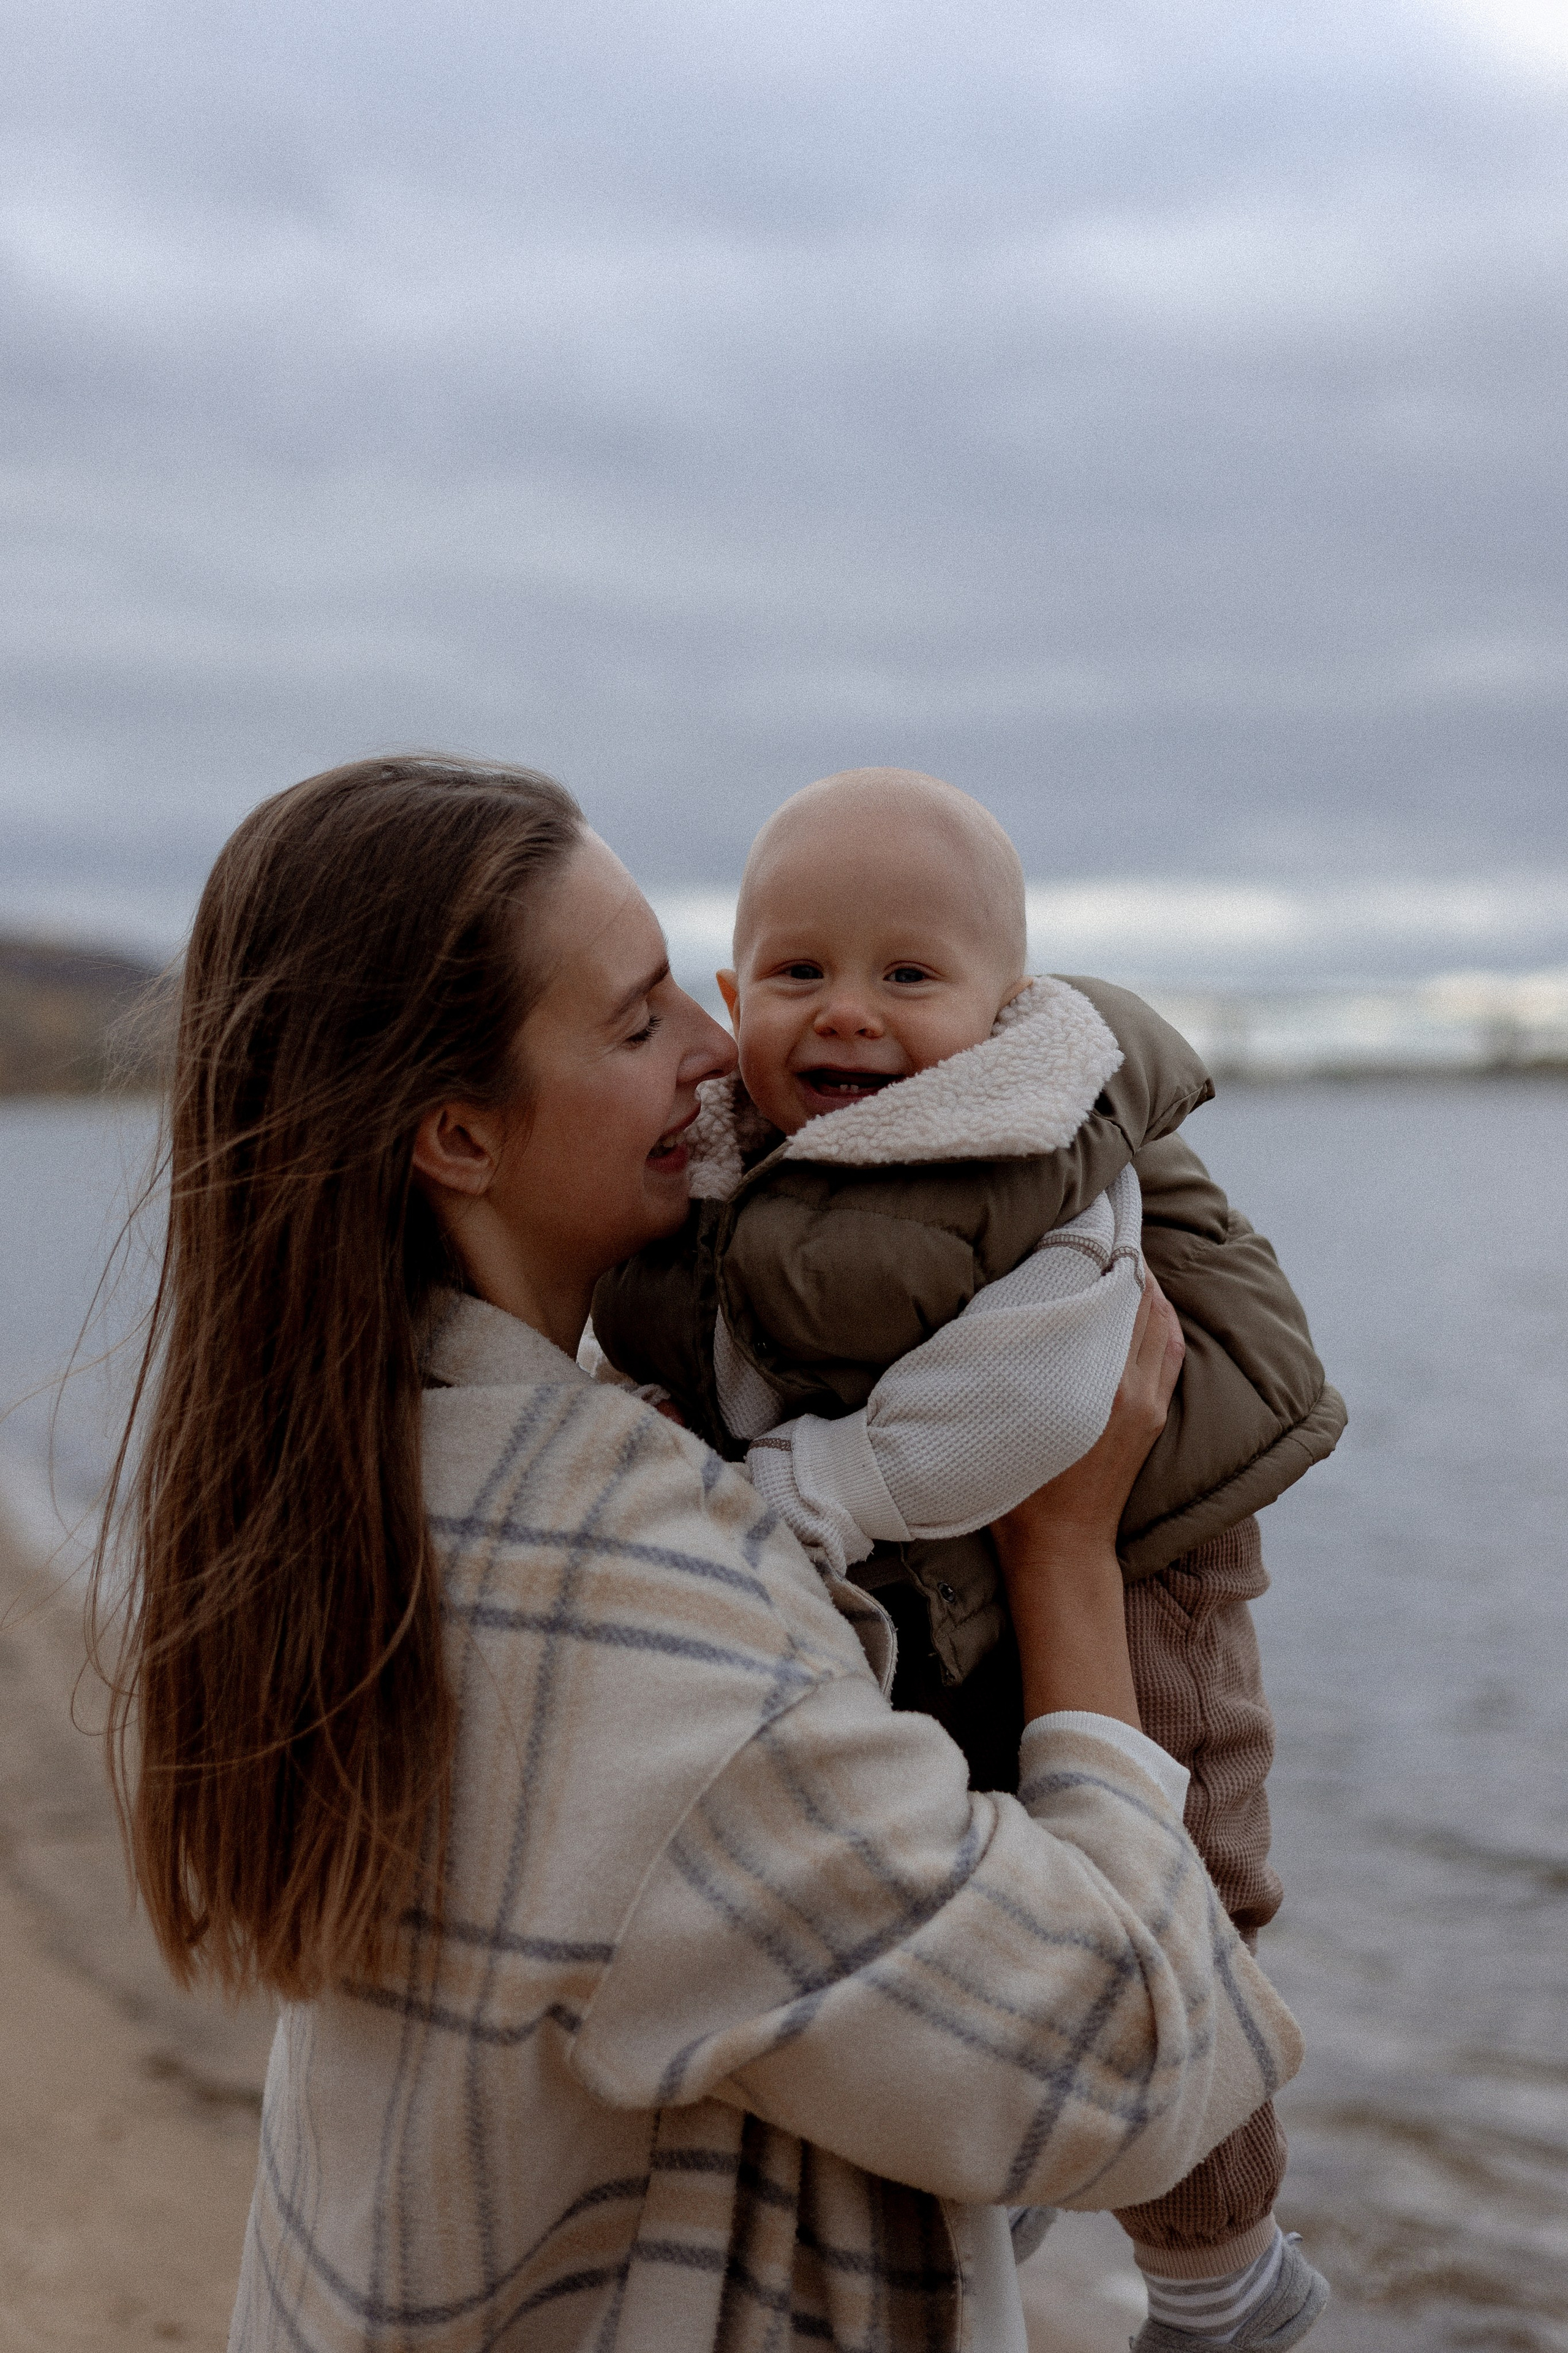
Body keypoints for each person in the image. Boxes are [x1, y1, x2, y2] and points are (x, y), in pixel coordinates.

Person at [99, 754, 1303, 2353]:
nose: (721, 1045)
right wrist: (1067, 1549)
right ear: (458, 1135)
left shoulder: (355, 1477)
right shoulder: (638, 1624)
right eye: (636, 1020)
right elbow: (1132, 2066)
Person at [590, 766, 1340, 2348]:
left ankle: (1225, 2280)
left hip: (1149, 1550)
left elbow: (1056, 1385)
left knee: (1185, 1877)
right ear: (732, 996)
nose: (848, 1011)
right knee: (985, 1873)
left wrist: (806, 1492)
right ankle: (1021, 2136)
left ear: (1004, 1009)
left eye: (909, 975)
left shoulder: (1026, 1134)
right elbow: (723, 1338)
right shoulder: (733, 1160)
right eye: (800, 971)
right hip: (948, 1570)